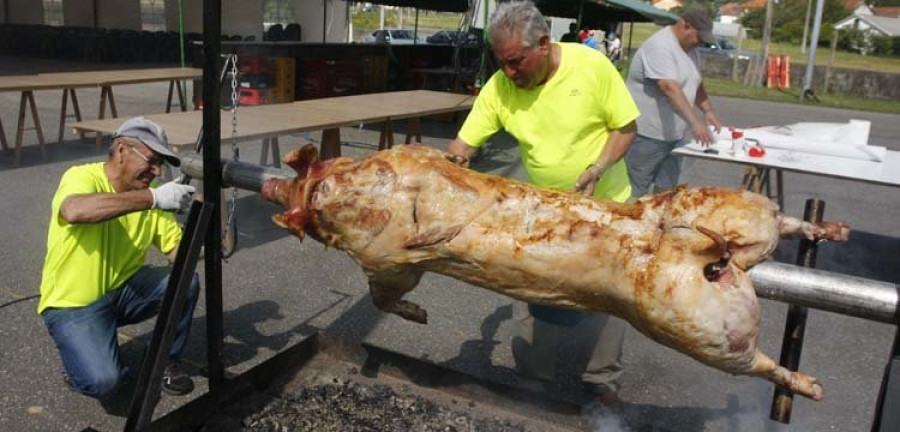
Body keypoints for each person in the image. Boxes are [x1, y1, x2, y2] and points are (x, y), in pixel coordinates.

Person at [446, 1, 639, 408]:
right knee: (530, 285)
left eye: (516, 62)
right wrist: (449, 167)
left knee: (611, 295)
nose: (509, 73)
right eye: (502, 63)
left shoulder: (591, 67)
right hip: (545, 206)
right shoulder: (501, 85)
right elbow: (463, 145)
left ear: (545, 43)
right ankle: (533, 378)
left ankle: (601, 381)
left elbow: (626, 127)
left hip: (605, 203)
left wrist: (598, 166)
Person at [38, 117, 200, 399]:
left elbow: (178, 254)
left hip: (124, 292)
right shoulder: (82, 177)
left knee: (187, 281)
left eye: (160, 163)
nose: (157, 170)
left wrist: (201, 234)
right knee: (104, 382)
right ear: (122, 150)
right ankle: (79, 363)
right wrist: (153, 198)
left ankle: (165, 361)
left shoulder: (150, 196)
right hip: (73, 305)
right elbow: (75, 210)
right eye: (151, 160)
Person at [624, 8, 723, 198]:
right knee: (634, 190)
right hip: (646, 136)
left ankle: (659, 225)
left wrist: (708, 111)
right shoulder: (660, 46)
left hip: (673, 137)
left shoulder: (691, 49)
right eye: (699, 38)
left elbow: (696, 81)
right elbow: (669, 87)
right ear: (686, 26)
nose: (700, 43)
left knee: (667, 192)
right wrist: (695, 123)